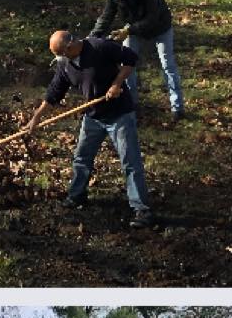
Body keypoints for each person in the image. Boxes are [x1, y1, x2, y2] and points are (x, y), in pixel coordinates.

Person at [26, 28, 152, 227]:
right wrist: (36, 117)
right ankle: (77, 196)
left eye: (61, 53)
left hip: (119, 114)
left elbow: (130, 59)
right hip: (92, 116)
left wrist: (117, 83)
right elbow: (54, 93)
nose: (60, 58)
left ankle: (141, 209)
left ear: (71, 45)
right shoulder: (65, 64)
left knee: (130, 161)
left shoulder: (99, 47)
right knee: (82, 157)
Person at [92, 0, 183, 124]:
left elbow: (153, 17)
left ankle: (177, 107)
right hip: (133, 28)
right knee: (127, 64)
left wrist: (128, 30)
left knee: (167, 65)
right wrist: (92, 38)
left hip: (160, 28)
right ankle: (131, 103)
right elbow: (106, 17)